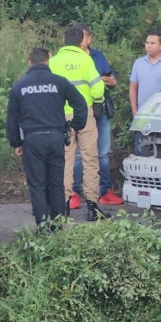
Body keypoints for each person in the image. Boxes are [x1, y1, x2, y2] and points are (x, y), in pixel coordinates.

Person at [6, 48, 87, 228]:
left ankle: (43, 227)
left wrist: (16, 142)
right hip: (56, 138)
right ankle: (57, 226)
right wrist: (75, 126)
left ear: (30, 61)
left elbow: (12, 118)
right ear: (48, 61)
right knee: (56, 184)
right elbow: (81, 104)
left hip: (32, 140)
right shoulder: (59, 82)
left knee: (37, 185)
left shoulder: (20, 86)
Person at [49, 24, 110, 221]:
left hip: (60, 116)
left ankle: (64, 205)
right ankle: (92, 207)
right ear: (81, 40)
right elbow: (97, 88)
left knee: (65, 160)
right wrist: (98, 103)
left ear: (64, 40)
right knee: (90, 159)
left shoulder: (54, 61)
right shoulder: (85, 59)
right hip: (84, 115)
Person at [69, 25, 123, 209]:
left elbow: (109, 76)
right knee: (78, 156)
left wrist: (112, 81)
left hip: (100, 111)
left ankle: (105, 192)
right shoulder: (72, 59)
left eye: (83, 38)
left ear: (89, 39)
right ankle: (75, 193)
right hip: (80, 111)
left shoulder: (97, 56)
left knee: (103, 153)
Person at [129, 30, 161, 153]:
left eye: (152, 43)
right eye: (147, 43)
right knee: (141, 147)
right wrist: (135, 112)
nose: (148, 46)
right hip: (142, 113)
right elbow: (133, 88)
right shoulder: (139, 63)